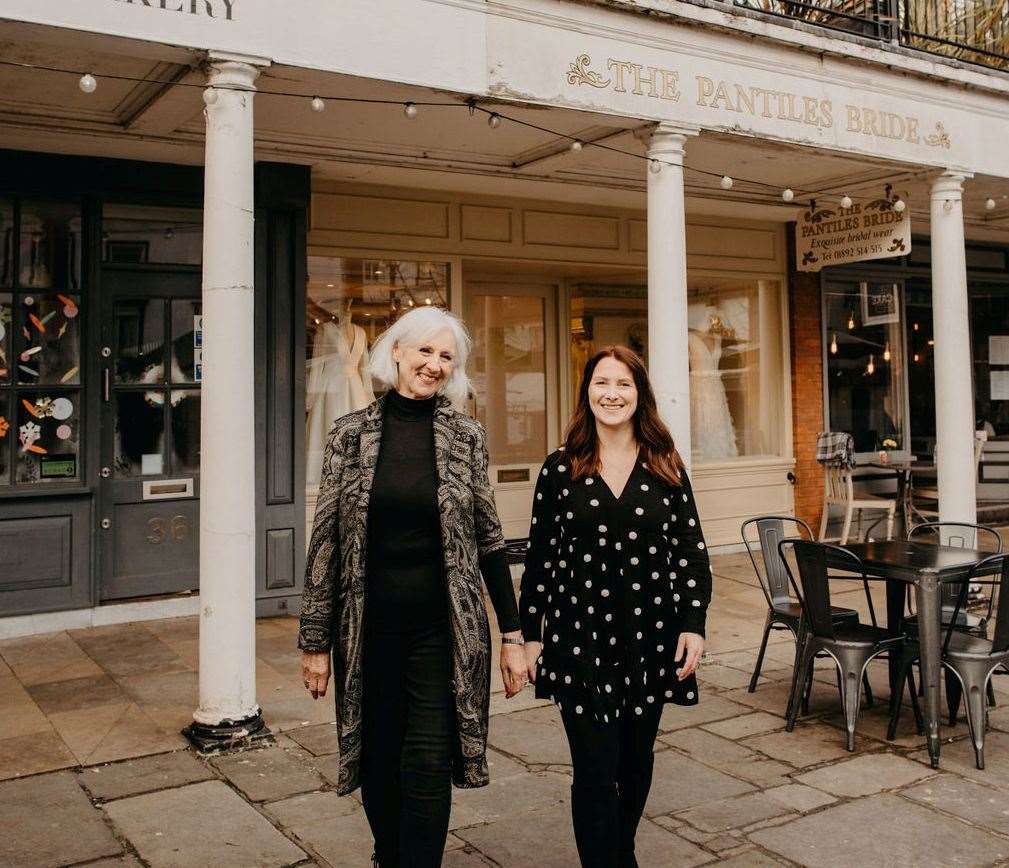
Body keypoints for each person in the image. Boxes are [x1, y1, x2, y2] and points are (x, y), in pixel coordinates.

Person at [298, 306, 528, 868]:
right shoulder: (349, 435)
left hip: (442, 629)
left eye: (446, 356)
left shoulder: (465, 436)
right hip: (369, 627)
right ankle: (388, 856)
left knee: (427, 760)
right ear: (395, 351)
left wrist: (514, 633)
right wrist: (315, 641)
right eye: (424, 351)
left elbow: (489, 540)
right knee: (378, 758)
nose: (434, 364)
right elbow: (325, 540)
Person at [520, 345, 711, 868]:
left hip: (651, 639)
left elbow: (692, 553)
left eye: (623, 384)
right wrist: (529, 634)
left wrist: (693, 624)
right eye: (601, 383)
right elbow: (540, 559)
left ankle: (619, 851)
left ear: (639, 394)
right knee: (595, 769)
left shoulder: (666, 467)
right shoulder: (561, 470)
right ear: (587, 392)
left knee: (637, 763)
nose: (612, 394)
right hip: (578, 640)